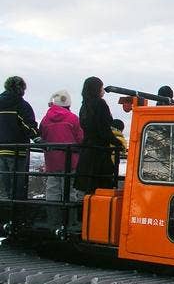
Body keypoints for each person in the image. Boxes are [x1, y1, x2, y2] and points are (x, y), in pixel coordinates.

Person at [39, 90, 84, 224]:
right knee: (70, 192)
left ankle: (53, 221)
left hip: (52, 162)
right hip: (71, 161)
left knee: (52, 190)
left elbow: (42, 136)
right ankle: (69, 222)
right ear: (68, 104)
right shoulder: (73, 118)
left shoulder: (45, 119)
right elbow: (81, 139)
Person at [74, 77, 122, 194]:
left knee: (88, 190)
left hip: (87, 151)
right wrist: (117, 142)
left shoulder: (84, 106)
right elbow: (104, 129)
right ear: (97, 89)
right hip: (100, 153)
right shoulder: (100, 104)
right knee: (102, 188)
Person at [0, 76, 39, 199]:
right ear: (21, 88)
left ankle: (5, 215)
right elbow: (27, 124)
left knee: (4, 186)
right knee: (17, 186)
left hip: (1, 150)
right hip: (18, 151)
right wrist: (37, 137)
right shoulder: (22, 105)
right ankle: (16, 215)